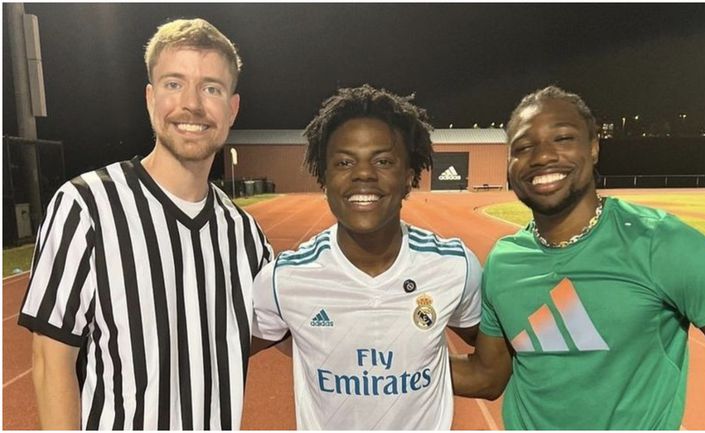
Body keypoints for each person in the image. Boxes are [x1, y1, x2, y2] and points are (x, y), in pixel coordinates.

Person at [451, 85, 705, 430]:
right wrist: (392, 358)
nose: (542, 157)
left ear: (594, 147)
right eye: (524, 147)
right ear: (510, 162)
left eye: (563, 139)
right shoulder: (504, 261)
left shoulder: (658, 243)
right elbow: (488, 376)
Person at [18, 18, 272, 429]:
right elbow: (51, 363)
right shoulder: (86, 206)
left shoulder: (244, 234)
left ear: (232, 108)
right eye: (174, 84)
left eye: (211, 88)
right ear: (151, 99)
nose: (192, 103)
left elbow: (271, 329)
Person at [250, 84, 482, 429]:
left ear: (408, 177)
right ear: (324, 177)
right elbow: (220, 353)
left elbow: (491, 373)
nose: (363, 174)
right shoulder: (284, 279)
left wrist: (421, 364)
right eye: (344, 162)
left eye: (383, 161)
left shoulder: (455, 266)